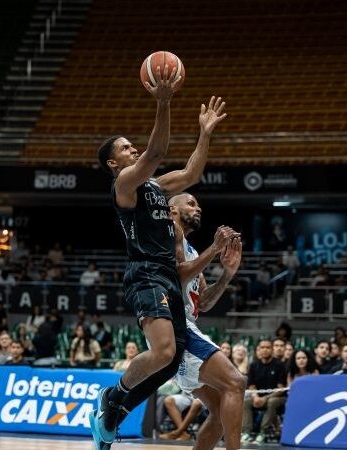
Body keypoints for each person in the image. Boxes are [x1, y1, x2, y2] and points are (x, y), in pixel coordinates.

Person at [90, 57, 227, 450]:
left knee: (170, 357)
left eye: (132, 145)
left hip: (167, 273)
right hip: (146, 272)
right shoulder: (125, 184)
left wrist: (204, 134)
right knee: (164, 350)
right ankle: (113, 396)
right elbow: (155, 152)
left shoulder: (155, 185)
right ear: (114, 163)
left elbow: (190, 175)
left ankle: (115, 410)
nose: (133, 149)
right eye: (125, 148)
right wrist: (163, 102)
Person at [167, 192, 245, 450]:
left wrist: (227, 274)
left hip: (183, 327)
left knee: (223, 409)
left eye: (199, 203)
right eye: (190, 203)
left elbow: (204, 302)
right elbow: (178, 275)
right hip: (174, 325)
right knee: (236, 382)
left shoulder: (190, 249)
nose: (198, 208)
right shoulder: (170, 232)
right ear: (173, 210)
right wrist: (214, 249)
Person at [241, 339, 287, 445]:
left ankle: (263, 432)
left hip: (278, 397)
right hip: (258, 397)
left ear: (272, 350)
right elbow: (251, 385)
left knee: (272, 402)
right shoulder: (253, 365)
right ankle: (246, 432)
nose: (265, 350)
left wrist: (265, 398)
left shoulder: (279, 365)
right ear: (259, 349)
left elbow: (280, 388)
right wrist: (256, 396)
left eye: (268, 347)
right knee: (245, 402)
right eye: (262, 347)